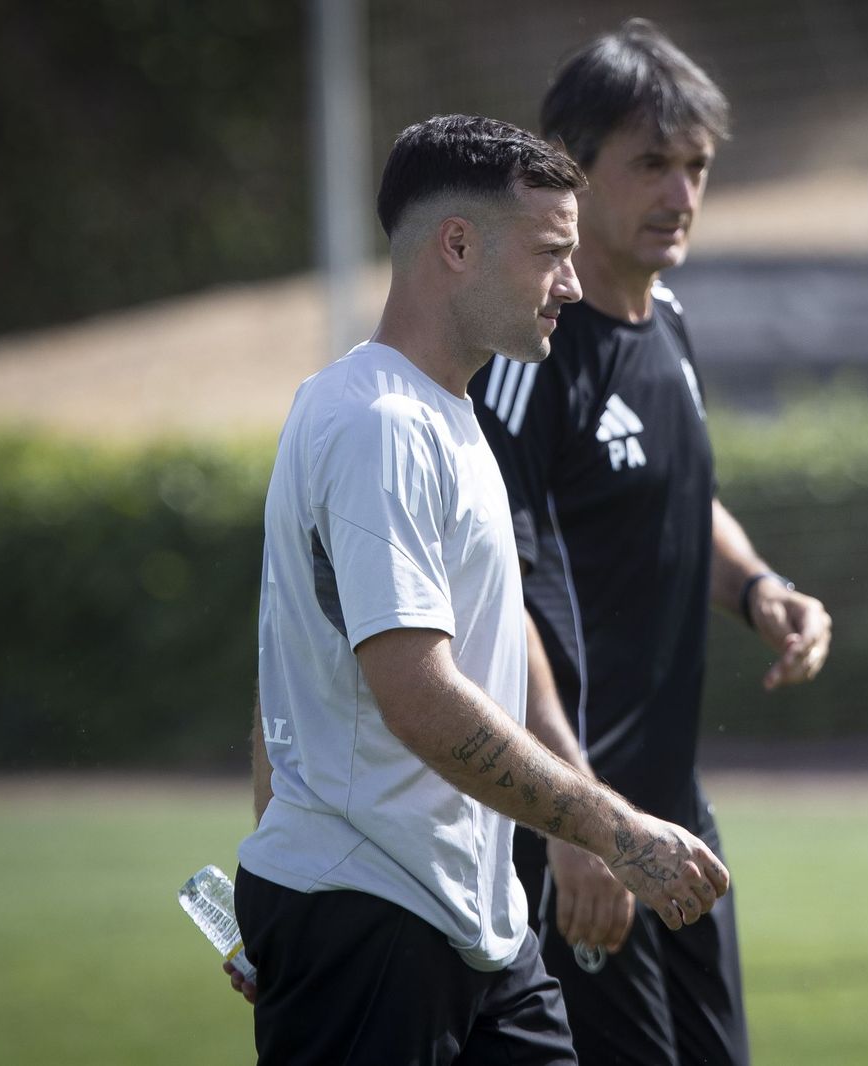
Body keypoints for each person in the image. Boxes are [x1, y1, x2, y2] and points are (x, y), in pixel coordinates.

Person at [229, 114, 731, 1065]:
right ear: (456, 245)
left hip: (470, 922)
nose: (572, 284)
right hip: (368, 918)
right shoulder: (378, 421)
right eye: (551, 253)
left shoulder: (443, 416)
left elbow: (284, 669)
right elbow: (416, 693)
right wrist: (611, 827)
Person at [467, 20, 832, 1064]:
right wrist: (575, 817)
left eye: (697, 167)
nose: (680, 194)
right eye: (651, 165)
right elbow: (495, 589)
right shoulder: (532, 357)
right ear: (571, 172)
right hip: (583, 822)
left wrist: (761, 585)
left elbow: (680, 496)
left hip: (674, 812)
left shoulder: (665, 323)